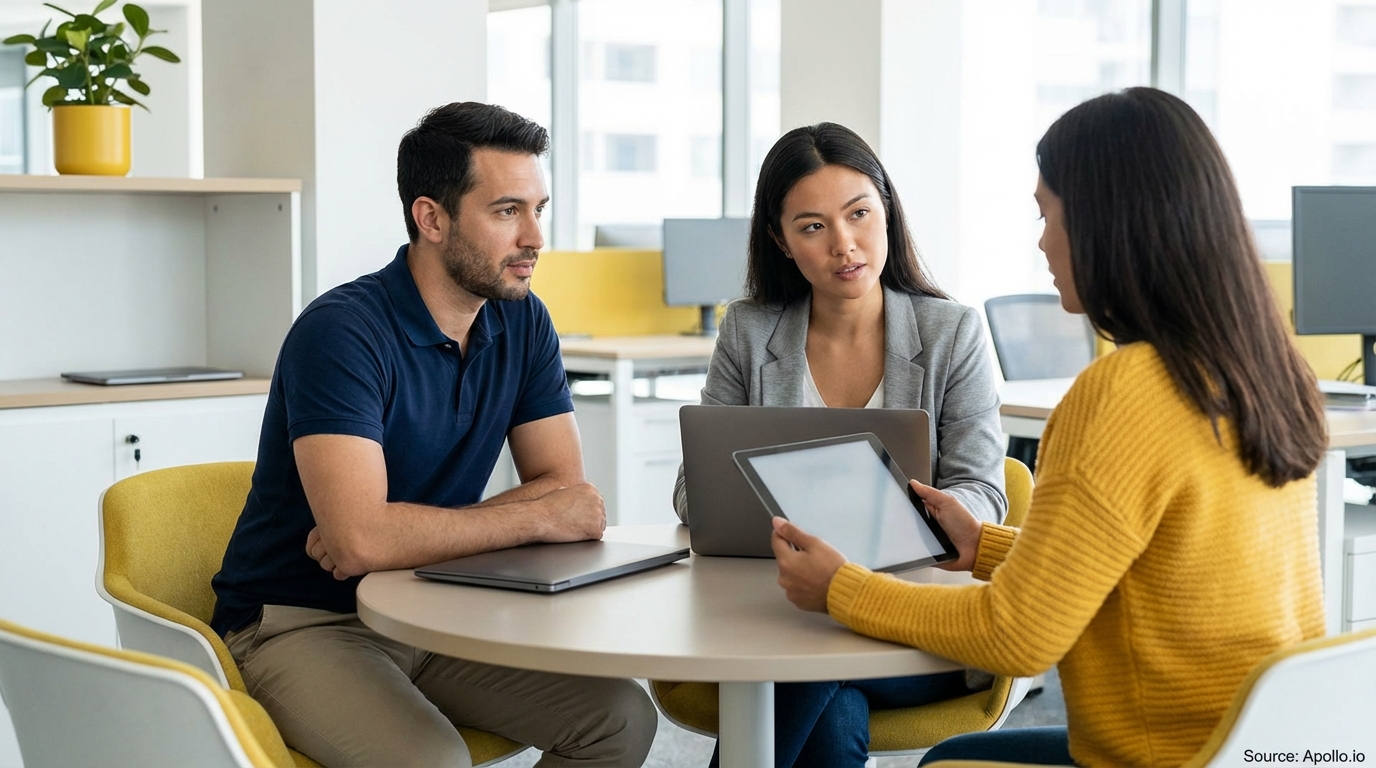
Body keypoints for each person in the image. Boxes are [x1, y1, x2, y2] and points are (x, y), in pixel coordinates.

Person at [770, 87, 1328, 767]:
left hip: (1164, 754)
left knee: (949, 765)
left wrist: (840, 588)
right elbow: (1151, 562)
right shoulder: (1263, 370)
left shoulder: (1123, 391)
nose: (1041, 241)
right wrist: (987, 547)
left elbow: (1017, 636)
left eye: (1047, 214)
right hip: (1265, 746)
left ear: (1103, 223)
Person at [209, 102, 657, 768]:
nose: (535, 237)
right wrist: (525, 517)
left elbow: (566, 491)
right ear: (432, 218)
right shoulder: (342, 333)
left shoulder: (524, 321)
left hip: (433, 606)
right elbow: (360, 540)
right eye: (508, 212)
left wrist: (396, 536)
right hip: (302, 620)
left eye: (540, 208)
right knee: (431, 760)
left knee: (619, 718)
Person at [673, 122, 1008, 767]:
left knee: (806, 669)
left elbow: (985, 491)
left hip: (914, 620)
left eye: (859, 215)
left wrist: (932, 518)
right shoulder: (747, 332)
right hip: (778, 611)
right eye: (812, 226)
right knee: (831, 709)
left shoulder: (952, 333)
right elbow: (695, 493)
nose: (845, 245)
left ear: (888, 213)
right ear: (781, 241)